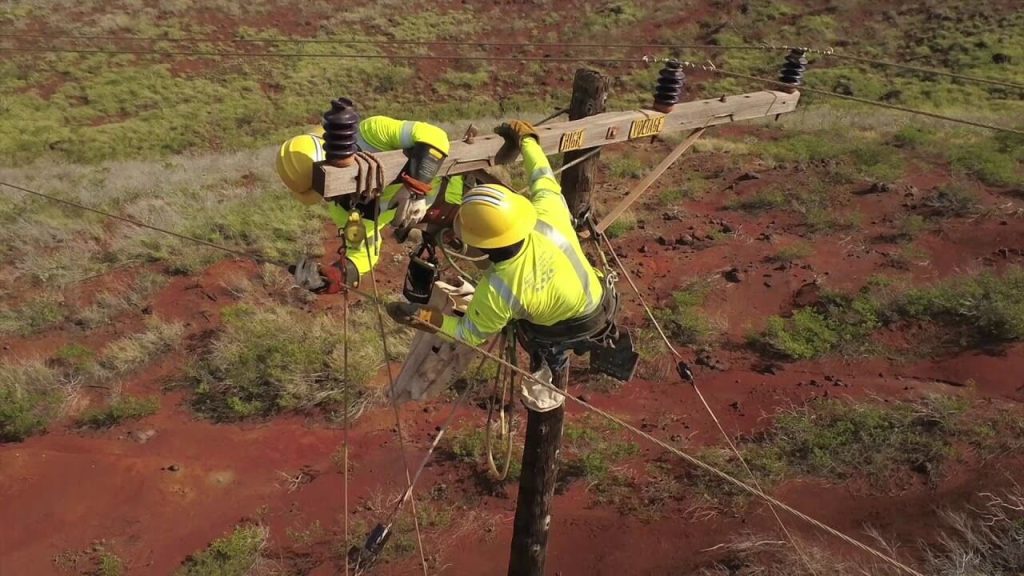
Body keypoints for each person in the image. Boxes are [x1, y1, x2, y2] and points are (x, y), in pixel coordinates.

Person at [387, 120, 635, 410]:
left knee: (543, 344)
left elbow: (467, 333)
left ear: (481, 244)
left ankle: (551, 366)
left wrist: (423, 316)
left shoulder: (499, 290)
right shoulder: (548, 214)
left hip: (562, 332)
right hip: (602, 304)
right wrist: (527, 140)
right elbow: (542, 176)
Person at [276, 115, 464, 292]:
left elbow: (434, 137)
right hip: (443, 222)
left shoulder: (371, 133)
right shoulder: (346, 211)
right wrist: (332, 277)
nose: (326, 199)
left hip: (465, 192)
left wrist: (415, 189)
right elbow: (362, 252)